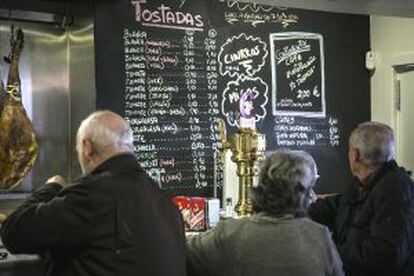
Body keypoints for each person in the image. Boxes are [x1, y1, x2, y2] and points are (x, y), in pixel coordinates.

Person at [0, 110, 187, 276]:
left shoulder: (90, 196)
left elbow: (13, 232)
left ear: (87, 147)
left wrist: (51, 187)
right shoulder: (166, 203)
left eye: (78, 150)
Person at [186, 149, 344, 276]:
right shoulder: (320, 237)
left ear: (262, 184)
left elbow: (179, 251)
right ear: (304, 193)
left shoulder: (230, 233)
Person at [309, 121, 414, 276]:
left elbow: (386, 255)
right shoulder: (365, 182)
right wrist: (298, 209)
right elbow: (340, 205)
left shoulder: (394, 190)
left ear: (355, 155)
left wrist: (329, 253)